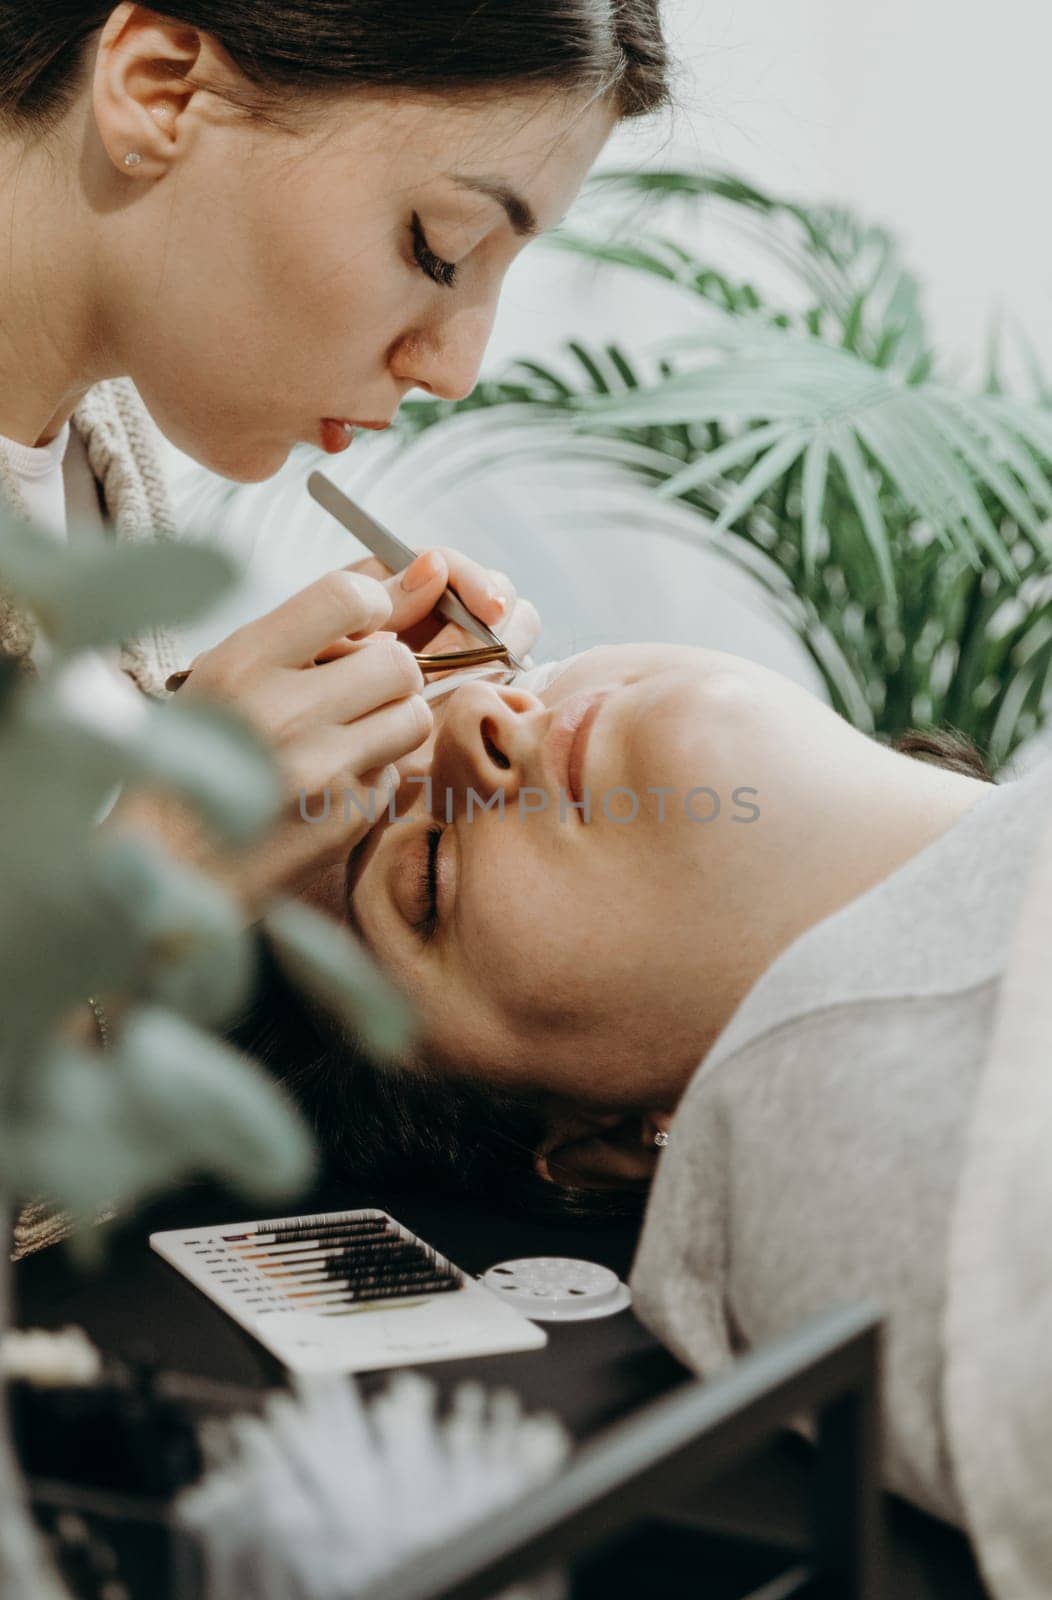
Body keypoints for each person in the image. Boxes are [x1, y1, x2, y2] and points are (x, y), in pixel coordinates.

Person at [230, 641, 1052, 1570]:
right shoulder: (895, 1175)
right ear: (614, 1143)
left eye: (496, 678)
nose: (477, 721)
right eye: (428, 869)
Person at [0, 0, 671, 910]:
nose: (457, 368)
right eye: (441, 250)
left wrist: (273, 731)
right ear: (160, 89)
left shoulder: (91, 457)